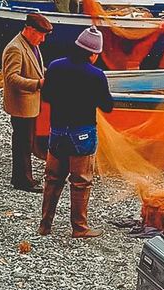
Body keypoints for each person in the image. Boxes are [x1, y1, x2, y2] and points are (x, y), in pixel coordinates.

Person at [38, 26, 114, 238]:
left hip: (58, 130)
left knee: (53, 178)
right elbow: (107, 106)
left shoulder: (55, 66)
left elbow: (47, 96)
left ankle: (45, 225)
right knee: (80, 181)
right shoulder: (96, 75)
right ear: (93, 53)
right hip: (82, 133)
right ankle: (79, 227)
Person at [2, 12, 52, 192]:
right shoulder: (15, 48)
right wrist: (38, 84)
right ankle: (22, 181)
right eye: (41, 35)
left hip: (29, 104)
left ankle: (25, 177)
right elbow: (11, 78)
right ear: (30, 29)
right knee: (22, 143)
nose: (43, 40)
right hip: (21, 105)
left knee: (26, 142)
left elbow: (36, 68)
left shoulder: (31, 45)